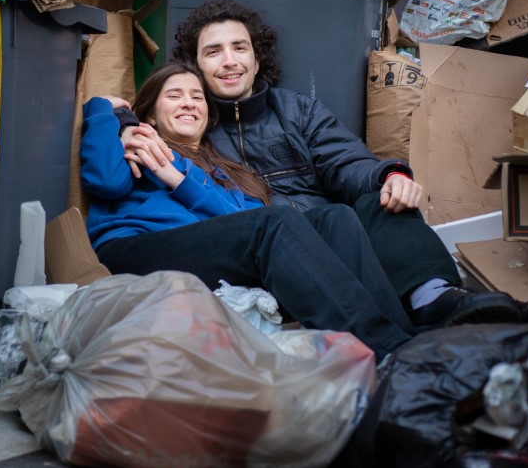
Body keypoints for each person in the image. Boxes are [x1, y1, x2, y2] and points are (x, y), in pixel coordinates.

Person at [119, 0, 524, 332]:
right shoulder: (189, 119)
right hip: (264, 252)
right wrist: (119, 120)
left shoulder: (295, 109)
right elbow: (132, 117)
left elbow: (345, 162)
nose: (229, 61)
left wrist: (391, 174)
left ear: (257, 60)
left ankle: (436, 299)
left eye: (240, 48)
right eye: (213, 52)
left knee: (381, 199)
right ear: (195, 66)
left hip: (331, 231)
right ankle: (409, 336)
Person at [80, 60, 415, 361]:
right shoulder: (138, 143)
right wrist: (105, 111)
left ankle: (409, 342)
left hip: (201, 257)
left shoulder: (224, 171)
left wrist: (178, 179)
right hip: (135, 250)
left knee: (335, 217)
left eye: (197, 97)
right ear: (151, 114)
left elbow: (244, 219)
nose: (188, 103)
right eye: (175, 95)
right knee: (273, 223)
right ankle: (387, 350)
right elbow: (106, 183)